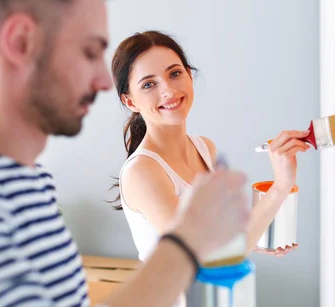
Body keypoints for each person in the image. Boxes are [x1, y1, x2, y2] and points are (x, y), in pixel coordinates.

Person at [0, 1, 251, 307]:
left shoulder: (31, 181)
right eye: (88, 52)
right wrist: (185, 242)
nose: (102, 81)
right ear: (21, 42)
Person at [110, 31, 311, 306]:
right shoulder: (142, 172)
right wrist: (280, 187)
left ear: (190, 75)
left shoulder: (205, 148)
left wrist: (258, 236)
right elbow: (200, 256)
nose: (168, 90)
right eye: (148, 85)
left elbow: (218, 239)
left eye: (174, 73)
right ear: (130, 101)